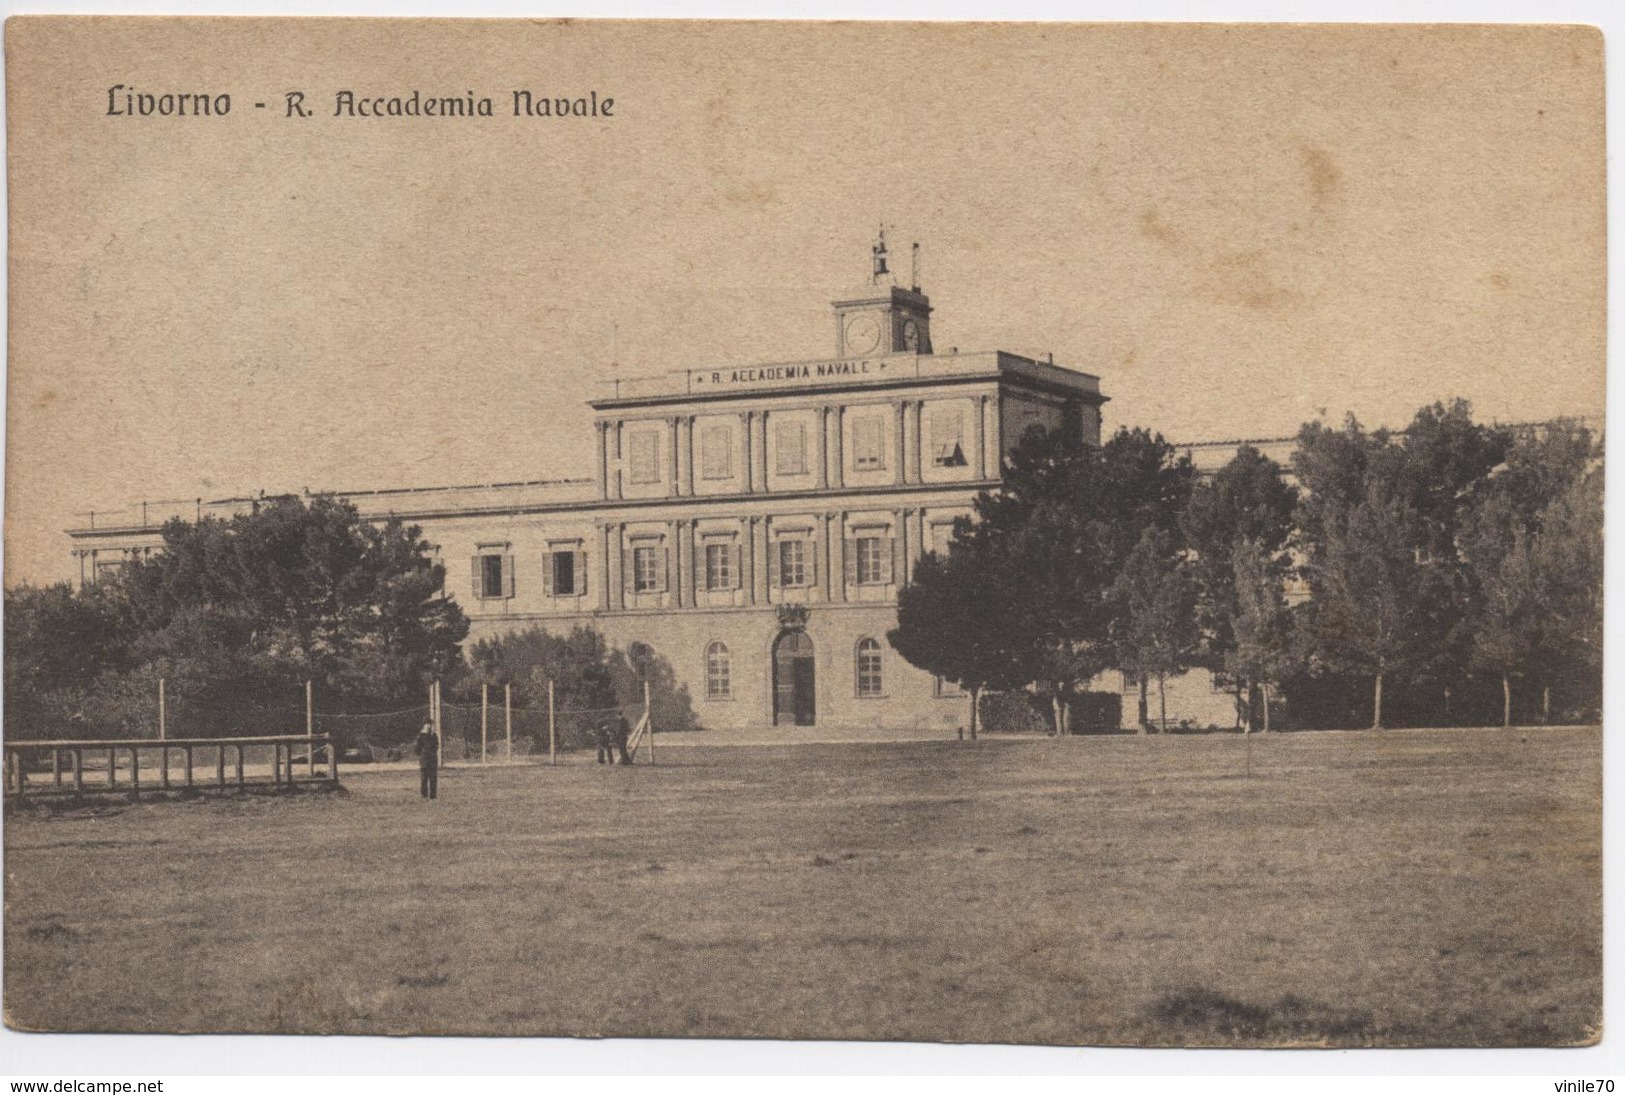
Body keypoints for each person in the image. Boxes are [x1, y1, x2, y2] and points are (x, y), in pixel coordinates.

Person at [413, 721, 439, 799]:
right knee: (424, 778)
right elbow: (417, 748)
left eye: (431, 725)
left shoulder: (434, 735)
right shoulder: (421, 736)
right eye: (428, 725)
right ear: (425, 726)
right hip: (425, 760)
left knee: (433, 778)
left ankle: (433, 795)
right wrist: (422, 755)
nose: (430, 727)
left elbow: (436, 746)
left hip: (432, 759)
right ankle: (424, 795)